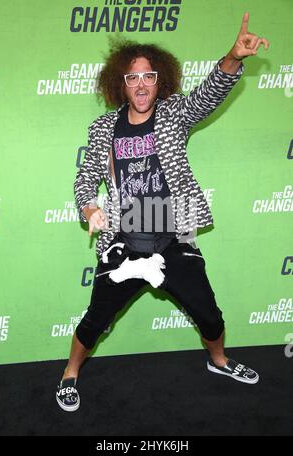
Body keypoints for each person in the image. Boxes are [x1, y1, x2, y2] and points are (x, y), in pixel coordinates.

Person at [56, 12, 269, 412]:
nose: (141, 84)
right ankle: (69, 372)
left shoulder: (173, 115)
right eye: (132, 77)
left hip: (172, 238)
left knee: (210, 315)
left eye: (149, 76)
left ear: (160, 81)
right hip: (123, 241)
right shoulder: (104, 128)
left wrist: (234, 57)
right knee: (95, 321)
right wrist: (89, 207)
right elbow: (86, 177)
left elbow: (209, 94)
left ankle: (219, 361)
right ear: (120, 83)